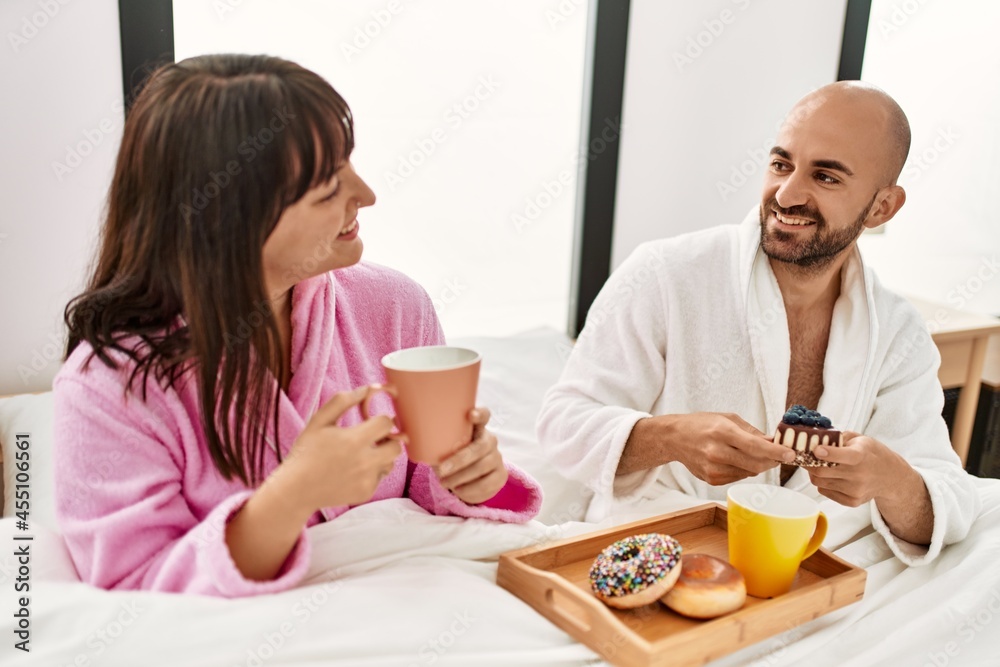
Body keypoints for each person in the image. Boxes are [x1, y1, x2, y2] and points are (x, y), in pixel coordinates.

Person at [53, 53, 541, 597]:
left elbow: (426, 483)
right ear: (228, 220)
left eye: (349, 164)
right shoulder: (110, 385)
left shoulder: (394, 305)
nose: (367, 195)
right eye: (328, 188)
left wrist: (476, 479)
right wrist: (292, 495)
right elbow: (133, 587)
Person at [537, 81, 979, 565]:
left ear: (881, 207)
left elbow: (948, 504)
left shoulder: (898, 332)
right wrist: (671, 438)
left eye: (826, 177)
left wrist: (891, 480)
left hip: (820, 566)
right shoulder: (666, 273)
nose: (787, 195)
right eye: (781, 164)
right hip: (669, 548)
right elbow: (561, 426)